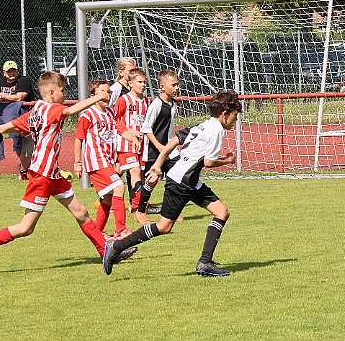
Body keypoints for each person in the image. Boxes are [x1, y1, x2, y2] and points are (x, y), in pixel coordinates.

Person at [0, 72, 137, 275]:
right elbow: (70, 112)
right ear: (52, 93)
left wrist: (27, 129)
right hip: (42, 175)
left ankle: (105, 251)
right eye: (63, 90)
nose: (64, 93)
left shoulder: (36, 110)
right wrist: (97, 97)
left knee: (81, 212)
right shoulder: (51, 109)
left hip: (53, 174)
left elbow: (4, 127)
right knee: (26, 228)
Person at [102, 90, 242, 277]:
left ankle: (205, 262)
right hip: (181, 182)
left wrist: (158, 165)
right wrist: (228, 160)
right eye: (235, 116)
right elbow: (208, 162)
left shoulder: (204, 125)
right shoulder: (216, 129)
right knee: (164, 227)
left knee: (222, 212)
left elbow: (174, 141)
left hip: (189, 180)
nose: (235, 120)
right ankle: (116, 246)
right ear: (225, 114)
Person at [74, 79, 140, 240]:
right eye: (102, 92)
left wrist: (133, 139)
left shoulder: (110, 112)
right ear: (93, 96)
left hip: (107, 161)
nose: (106, 96)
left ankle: (97, 233)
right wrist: (77, 162)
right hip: (95, 161)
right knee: (119, 187)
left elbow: (121, 129)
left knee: (108, 197)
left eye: (108, 92)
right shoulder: (88, 114)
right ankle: (121, 229)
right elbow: (78, 138)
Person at [134, 69, 186, 225]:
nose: (177, 88)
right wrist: (159, 146)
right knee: (152, 180)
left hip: (169, 150)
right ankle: (140, 211)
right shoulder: (156, 104)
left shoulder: (173, 104)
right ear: (162, 87)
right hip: (153, 150)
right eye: (174, 85)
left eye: (178, 84)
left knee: (175, 179)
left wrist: (172, 147)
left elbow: (168, 129)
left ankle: (170, 212)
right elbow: (146, 128)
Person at [113, 67, 151, 214]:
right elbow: (115, 121)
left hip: (142, 144)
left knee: (140, 174)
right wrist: (129, 133)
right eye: (139, 82)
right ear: (130, 83)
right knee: (134, 171)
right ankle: (138, 207)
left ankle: (107, 196)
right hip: (126, 143)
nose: (143, 85)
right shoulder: (124, 100)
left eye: (144, 82)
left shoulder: (147, 101)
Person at [0, 60, 34, 180]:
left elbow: (20, 97)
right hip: (11, 118)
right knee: (19, 149)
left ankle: (25, 170)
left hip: (26, 117)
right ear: (4, 73)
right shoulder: (1, 82)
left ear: (18, 71)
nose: (11, 73)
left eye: (14, 70)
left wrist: (2, 96)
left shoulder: (23, 80)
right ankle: (24, 168)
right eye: (9, 71)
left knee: (28, 149)